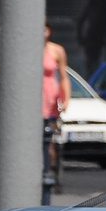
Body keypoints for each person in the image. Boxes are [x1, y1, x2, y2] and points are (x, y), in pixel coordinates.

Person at [42, 23, 72, 167]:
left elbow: (64, 77)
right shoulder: (28, 49)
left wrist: (66, 99)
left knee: (49, 140)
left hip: (50, 99)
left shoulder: (57, 50)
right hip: (33, 99)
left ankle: (48, 172)